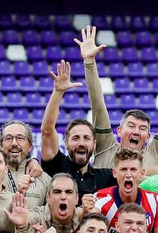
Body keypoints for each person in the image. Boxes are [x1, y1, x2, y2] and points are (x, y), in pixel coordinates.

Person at [81, 26, 158, 169]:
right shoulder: (105, 146)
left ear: (148, 136)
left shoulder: (156, 153)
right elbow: (98, 105)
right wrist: (89, 62)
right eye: (131, 126)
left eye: (142, 128)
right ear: (119, 131)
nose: (136, 132)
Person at [39, 59, 115, 195]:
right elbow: (47, 130)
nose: (81, 143)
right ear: (66, 143)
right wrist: (58, 92)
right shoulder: (56, 165)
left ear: (94, 144)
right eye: (75, 138)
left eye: (86, 138)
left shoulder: (105, 177)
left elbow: (136, 173)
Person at [93, 147, 158, 233]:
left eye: (133, 169)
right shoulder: (100, 199)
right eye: (123, 169)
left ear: (142, 173)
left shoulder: (155, 202)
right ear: (114, 173)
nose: (128, 174)